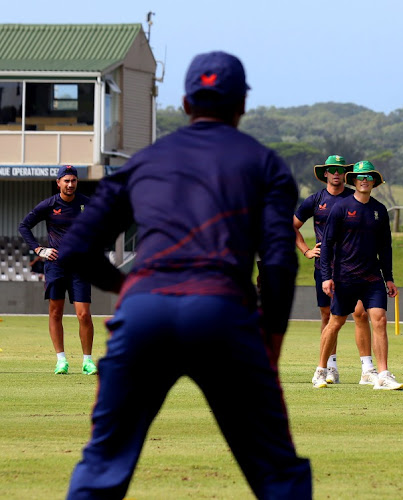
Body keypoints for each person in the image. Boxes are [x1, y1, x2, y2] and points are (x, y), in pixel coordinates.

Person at [57, 51, 312, 498]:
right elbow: (278, 261)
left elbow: (76, 247)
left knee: (101, 468)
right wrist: (270, 338)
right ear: (242, 104)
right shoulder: (265, 163)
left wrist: (129, 288)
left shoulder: (144, 161)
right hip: (223, 314)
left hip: (143, 316)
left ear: (186, 103)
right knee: (277, 474)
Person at [312, 160, 403, 390]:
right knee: (335, 323)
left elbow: (385, 247)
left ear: (373, 181)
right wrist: (326, 276)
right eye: (360, 176)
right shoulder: (341, 208)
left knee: (380, 320)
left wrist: (389, 277)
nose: (364, 180)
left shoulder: (379, 210)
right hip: (345, 277)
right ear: (353, 180)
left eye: (368, 176)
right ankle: (320, 370)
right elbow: (327, 246)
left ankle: (382, 375)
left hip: (372, 278)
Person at [294, 155, 378, 387]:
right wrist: (306, 251)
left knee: (360, 313)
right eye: (332, 170)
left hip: (354, 266)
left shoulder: (355, 199)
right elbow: (292, 225)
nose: (336, 173)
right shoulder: (315, 200)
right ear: (326, 174)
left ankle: (367, 369)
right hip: (325, 267)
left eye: (340, 170)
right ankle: (331, 367)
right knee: (328, 316)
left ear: (345, 174)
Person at [18, 165, 96, 375]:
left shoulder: (86, 204)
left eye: (73, 181)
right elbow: (24, 226)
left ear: (77, 182)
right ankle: (61, 360)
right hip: (55, 266)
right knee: (55, 312)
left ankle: (87, 361)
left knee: (84, 315)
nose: (70, 185)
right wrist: (39, 249)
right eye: (66, 181)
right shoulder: (49, 205)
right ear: (59, 183)